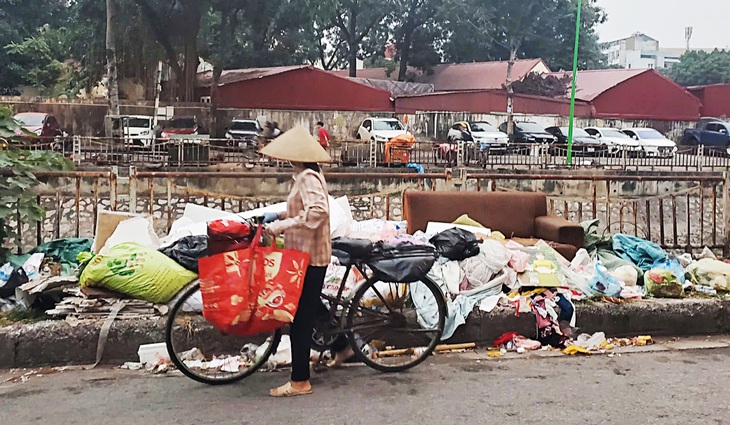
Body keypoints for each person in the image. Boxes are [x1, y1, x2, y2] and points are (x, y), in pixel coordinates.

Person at [259, 125, 350, 397]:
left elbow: (317, 211)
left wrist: (282, 226)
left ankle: (300, 381)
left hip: (310, 256)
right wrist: (277, 218)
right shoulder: (303, 175)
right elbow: (303, 208)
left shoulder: (308, 176)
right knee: (310, 306)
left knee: (299, 319)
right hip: (304, 255)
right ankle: (342, 345)